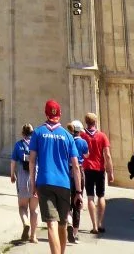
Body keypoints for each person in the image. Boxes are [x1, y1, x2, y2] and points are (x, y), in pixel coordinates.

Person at [28, 100, 82, 254]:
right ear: (60, 115)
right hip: (64, 184)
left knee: (51, 224)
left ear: (45, 113)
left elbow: (32, 161)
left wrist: (33, 184)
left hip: (44, 182)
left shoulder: (38, 133)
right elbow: (76, 166)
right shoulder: (67, 136)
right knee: (63, 225)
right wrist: (78, 192)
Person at [81, 112, 113, 234]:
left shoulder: (83, 135)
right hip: (100, 169)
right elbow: (108, 156)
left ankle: (94, 226)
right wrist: (110, 172)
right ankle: (100, 223)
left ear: (86, 122)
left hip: (87, 168)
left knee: (90, 197)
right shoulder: (102, 136)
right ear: (95, 122)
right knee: (101, 196)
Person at [10, 123, 39, 243]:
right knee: (34, 209)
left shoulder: (18, 145)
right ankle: (34, 236)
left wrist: (12, 174)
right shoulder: (37, 145)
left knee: (22, 207)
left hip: (22, 177)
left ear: (23, 133)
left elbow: (13, 162)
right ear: (32, 133)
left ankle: (25, 222)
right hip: (36, 178)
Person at [66, 121, 88, 244]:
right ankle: (75, 232)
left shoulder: (67, 140)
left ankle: (68, 222)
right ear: (80, 131)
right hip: (79, 170)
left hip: (67, 171)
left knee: (67, 201)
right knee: (77, 202)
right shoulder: (83, 142)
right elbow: (86, 154)